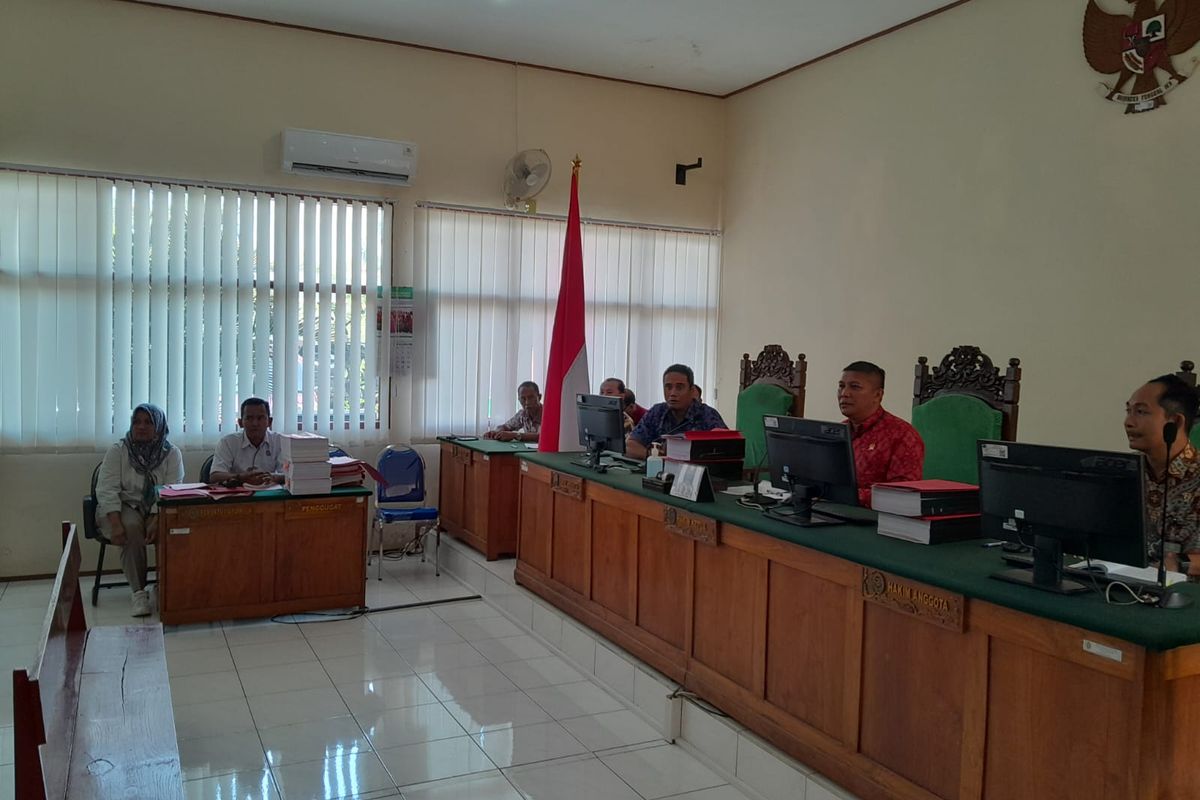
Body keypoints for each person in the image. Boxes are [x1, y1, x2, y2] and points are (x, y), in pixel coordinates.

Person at [95, 404, 185, 617]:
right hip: (120, 507)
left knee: (174, 528)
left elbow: (172, 489)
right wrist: (116, 524)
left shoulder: (171, 454)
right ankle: (138, 592)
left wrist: (156, 518)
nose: (141, 427)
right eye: (137, 422)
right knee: (132, 527)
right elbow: (107, 489)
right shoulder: (118, 451)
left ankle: (166, 586)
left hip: (160, 507)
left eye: (148, 422)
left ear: (160, 426)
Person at [1124, 375, 1200, 577]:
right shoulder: (1125, 470)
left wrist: (1177, 565)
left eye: (1140, 412)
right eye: (1128, 411)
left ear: (1174, 422)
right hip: (1120, 585)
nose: (1128, 422)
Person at [837, 361, 924, 506]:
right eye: (841, 386)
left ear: (878, 395)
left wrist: (842, 495)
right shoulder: (838, 431)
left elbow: (902, 495)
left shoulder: (902, 435)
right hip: (833, 510)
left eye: (855, 387)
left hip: (875, 520)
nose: (844, 394)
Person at [626, 364, 727, 459]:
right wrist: (655, 456)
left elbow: (727, 449)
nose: (673, 393)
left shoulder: (707, 415)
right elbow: (630, 446)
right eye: (668, 387)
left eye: (679, 387)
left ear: (692, 391)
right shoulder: (657, 412)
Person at [209, 397, 284, 486]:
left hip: (271, 495)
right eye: (249, 418)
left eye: (260, 418)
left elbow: (291, 475)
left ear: (270, 422)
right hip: (238, 496)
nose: (255, 423)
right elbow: (214, 476)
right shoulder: (228, 442)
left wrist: (273, 478)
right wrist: (241, 477)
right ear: (240, 422)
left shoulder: (280, 441)